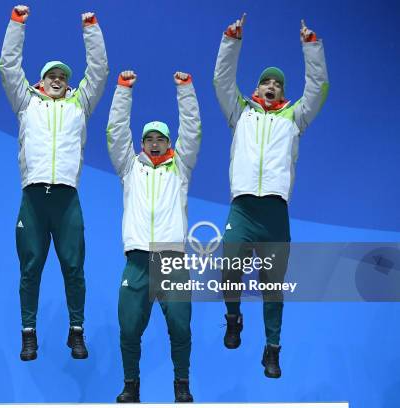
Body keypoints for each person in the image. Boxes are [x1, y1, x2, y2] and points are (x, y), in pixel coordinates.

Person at [213, 14, 329, 378]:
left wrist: (311, 46)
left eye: (277, 83)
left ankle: (272, 349)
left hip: (275, 213)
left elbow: (319, 86)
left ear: (283, 91)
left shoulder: (295, 117)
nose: (271, 85)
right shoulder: (240, 112)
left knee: (272, 287)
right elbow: (221, 79)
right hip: (243, 208)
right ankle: (233, 319)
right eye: (265, 81)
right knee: (229, 266)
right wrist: (232, 40)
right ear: (257, 87)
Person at [0, 4, 109, 361]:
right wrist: (17, 23)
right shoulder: (25, 103)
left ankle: (76, 332)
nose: (58, 79)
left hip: (66, 201)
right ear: (40, 80)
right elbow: (7, 66)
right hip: (33, 200)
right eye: (52, 75)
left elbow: (100, 70)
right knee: (30, 270)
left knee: (74, 270)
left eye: (63, 75)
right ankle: (28, 334)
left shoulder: (80, 105)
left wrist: (90, 27)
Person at [107, 70, 202, 403]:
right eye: (149, 138)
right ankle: (131, 387)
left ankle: (182, 386)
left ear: (169, 142)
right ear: (143, 143)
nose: (155, 143)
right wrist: (123, 91)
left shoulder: (181, 168)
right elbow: (116, 132)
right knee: (129, 328)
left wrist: (185, 90)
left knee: (180, 327)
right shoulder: (129, 168)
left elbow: (192, 129)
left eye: (161, 138)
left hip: (171, 258)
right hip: (136, 261)